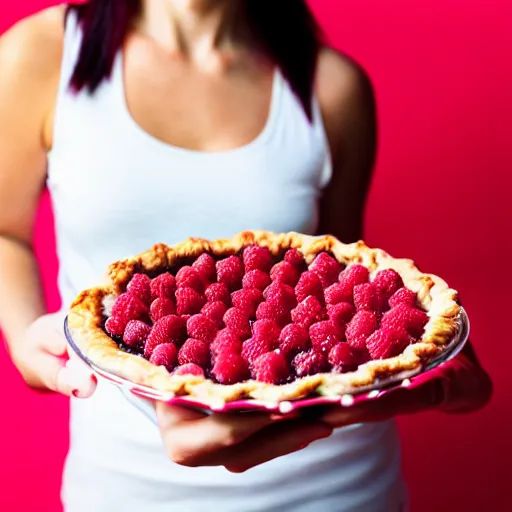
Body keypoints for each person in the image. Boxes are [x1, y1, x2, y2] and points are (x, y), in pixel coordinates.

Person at [0, 1, 492, 511]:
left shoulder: (331, 86)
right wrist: (26, 339)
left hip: (335, 486)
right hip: (128, 483)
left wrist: (434, 381)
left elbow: (346, 281)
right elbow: (3, 231)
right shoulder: (41, 54)